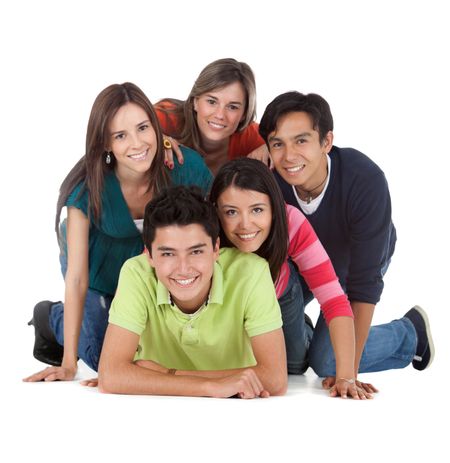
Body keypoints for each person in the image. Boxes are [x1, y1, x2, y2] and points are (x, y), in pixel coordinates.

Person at [24, 82, 213, 383]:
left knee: (151, 357)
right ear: (105, 144)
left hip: (154, 282)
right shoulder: (86, 187)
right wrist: (69, 363)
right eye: (121, 136)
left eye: (143, 128)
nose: (137, 144)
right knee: (106, 359)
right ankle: (52, 318)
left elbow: (212, 238)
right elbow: (76, 277)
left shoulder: (183, 166)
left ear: (157, 128)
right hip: (99, 277)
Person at [258, 91, 434, 389]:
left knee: (327, 361)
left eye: (301, 141)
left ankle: (409, 334)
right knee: (289, 358)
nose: (289, 156)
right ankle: (307, 333)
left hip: (351, 265)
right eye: (278, 144)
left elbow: (363, 286)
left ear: (326, 141)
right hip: (300, 261)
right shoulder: (271, 182)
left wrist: (347, 372)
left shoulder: (364, 179)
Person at [95, 185, 287, 398]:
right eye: (168, 254)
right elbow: (110, 376)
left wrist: (168, 374)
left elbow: (275, 379)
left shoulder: (251, 271)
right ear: (149, 255)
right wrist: (209, 387)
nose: (183, 268)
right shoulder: (136, 272)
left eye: (196, 251)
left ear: (215, 249)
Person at [210, 158, 373, 399]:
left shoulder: (290, 222)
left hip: (281, 297)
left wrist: (346, 376)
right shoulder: (205, 228)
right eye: (231, 212)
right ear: (216, 211)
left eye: (257, 209)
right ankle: (304, 328)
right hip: (234, 310)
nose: (245, 225)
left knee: (294, 367)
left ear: (274, 208)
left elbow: (334, 300)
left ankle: (304, 328)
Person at [155, 58, 269, 175]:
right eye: (211, 102)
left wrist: (271, 147)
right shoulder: (167, 117)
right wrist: (154, 138)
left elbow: (286, 138)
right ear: (195, 101)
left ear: (244, 114)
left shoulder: (253, 137)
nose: (220, 115)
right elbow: (136, 124)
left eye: (232, 107)